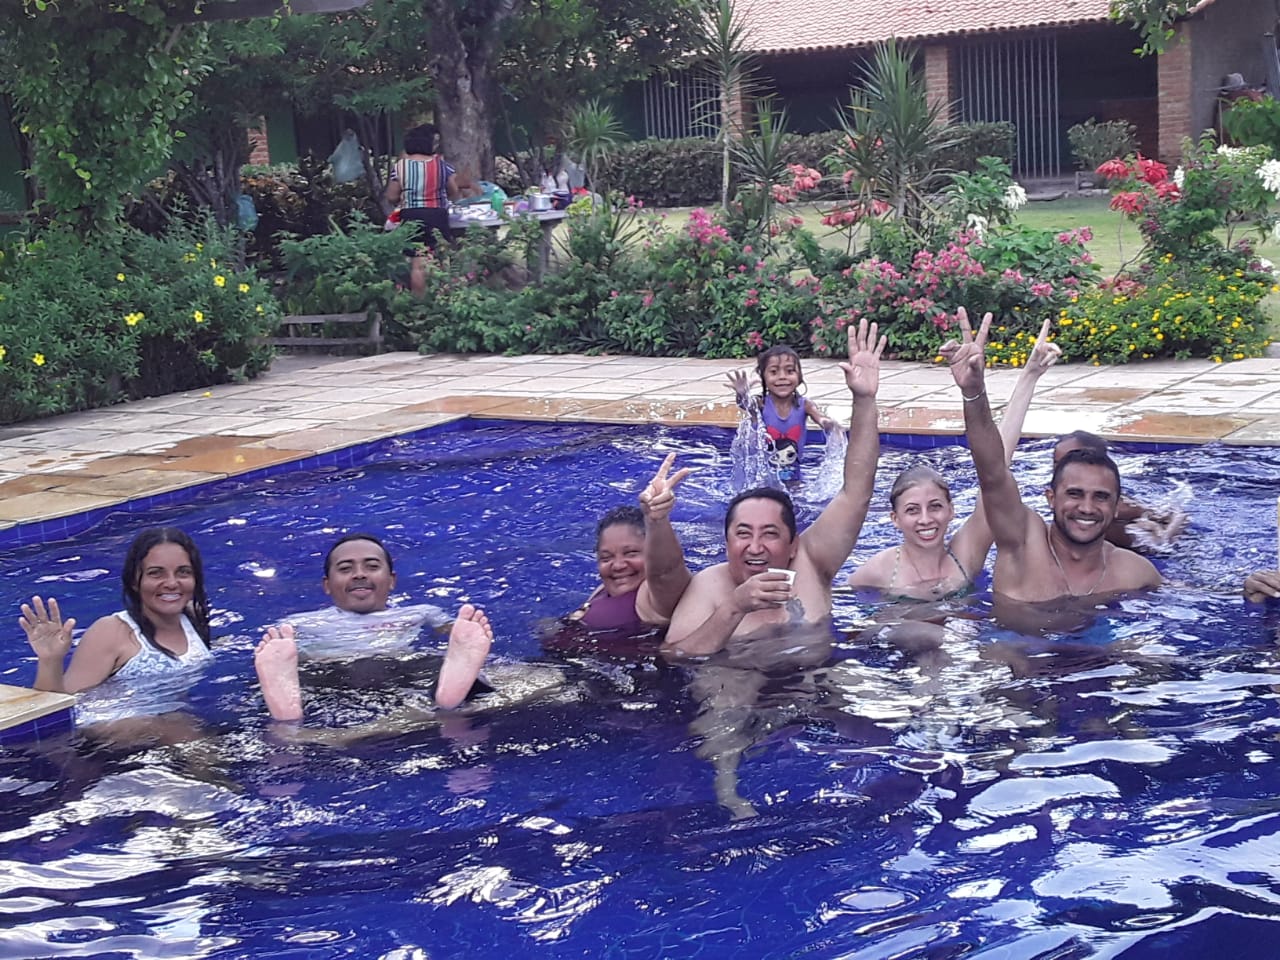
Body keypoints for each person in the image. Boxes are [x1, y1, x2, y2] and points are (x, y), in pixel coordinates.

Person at [662, 319, 885, 660]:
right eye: (743, 533)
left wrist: (864, 400)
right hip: (735, 680)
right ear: (726, 542)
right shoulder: (709, 587)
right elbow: (674, 655)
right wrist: (733, 608)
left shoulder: (812, 563)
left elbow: (857, 492)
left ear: (793, 544)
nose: (755, 547)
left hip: (816, 682)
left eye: (770, 533)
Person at [945, 308, 1161, 619]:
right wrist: (974, 392)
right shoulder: (1022, 541)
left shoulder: (1134, 572)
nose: (1086, 507)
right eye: (1074, 493)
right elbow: (992, 472)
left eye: (1100, 497)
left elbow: (1189, 598)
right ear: (1050, 497)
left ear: (1117, 507)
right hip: (1014, 648)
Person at [849, 317, 1062, 600]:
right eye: (912, 510)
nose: (926, 519)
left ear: (951, 510)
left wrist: (1029, 376)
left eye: (935, 506)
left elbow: (995, 468)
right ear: (895, 519)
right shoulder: (878, 571)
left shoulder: (966, 556)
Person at [253, 533, 493, 722]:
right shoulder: (298, 623)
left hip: (399, 668)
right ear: (327, 585)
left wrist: (460, 642)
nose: (359, 574)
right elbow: (290, 654)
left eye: (372, 566)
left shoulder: (420, 612)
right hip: (330, 671)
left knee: (440, 663)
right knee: (301, 674)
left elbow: (451, 631)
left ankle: (289, 716)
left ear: (391, 580)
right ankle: (287, 701)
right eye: (345, 569)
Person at [19, 527, 213, 695]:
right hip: (112, 724)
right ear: (134, 581)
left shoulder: (192, 617)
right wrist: (50, 660)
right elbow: (64, 706)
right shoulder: (110, 632)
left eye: (183, 572)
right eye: (155, 573)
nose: (171, 583)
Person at [558, 454, 693, 644]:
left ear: (650, 553)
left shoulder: (654, 600)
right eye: (606, 558)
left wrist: (657, 520)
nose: (618, 565)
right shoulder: (603, 590)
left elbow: (666, 572)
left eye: (631, 553)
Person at [1052, 431, 1189, 552]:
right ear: (1050, 498)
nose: (1061, 468)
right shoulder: (1059, 494)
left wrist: (1163, 531)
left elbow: (1169, 520)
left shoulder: (1117, 509)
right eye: (1057, 463)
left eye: (1072, 459)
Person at [727, 345, 836, 482]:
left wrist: (828, 423)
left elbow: (820, 417)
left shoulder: (805, 405)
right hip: (763, 476)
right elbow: (745, 404)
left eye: (790, 371)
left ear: (799, 376)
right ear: (763, 377)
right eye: (774, 372)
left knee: (795, 492)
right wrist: (742, 393)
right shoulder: (760, 404)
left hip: (794, 474)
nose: (782, 377)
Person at [384, 123, 460, 298]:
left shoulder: (401, 167)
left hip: (411, 215)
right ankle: (442, 299)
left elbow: (391, 196)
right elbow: (454, 191)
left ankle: (419, 302)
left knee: (417, 263)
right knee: (440, 258)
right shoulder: (442, 166)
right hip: (436, 214)